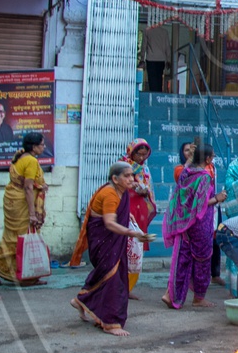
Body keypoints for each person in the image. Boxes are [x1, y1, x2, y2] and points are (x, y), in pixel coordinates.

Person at [70, 162, 153, 336]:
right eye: (127, 176)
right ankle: (111, 322)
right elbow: (109, 223)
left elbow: (116, 212)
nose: (132, 179)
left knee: (108, 273)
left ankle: (82, 299)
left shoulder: (121, 192)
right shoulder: (109, 193)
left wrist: (127, 217)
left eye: (132, 175)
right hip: (103, 239)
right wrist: (133, 233)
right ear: (115, 179)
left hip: (112, 240)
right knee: (113, 277)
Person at [0, 132, 49, 286]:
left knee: (14, 237)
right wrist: (32, 214)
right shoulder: (31, 161)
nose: (44, 146)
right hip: (21, 202)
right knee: (21, 238)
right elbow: (28, 187)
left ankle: (26, 275)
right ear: (34, 147)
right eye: (42, 144)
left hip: (12, 199)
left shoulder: (19, 157)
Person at [163, 143, 220, 310]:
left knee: (182, 260)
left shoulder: (186, 173)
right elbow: (201, 204)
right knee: (203, 259)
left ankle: (173, 295)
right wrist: (218, 198)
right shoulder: (203, 177)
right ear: (208, 159)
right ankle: (199, 297)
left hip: (183, 223)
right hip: (200, 225)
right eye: (212, 156)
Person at [124, 139, 157, 297]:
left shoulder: (145, 169)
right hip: (127, 208)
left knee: (137, 248)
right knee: (125, 247)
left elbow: (149, 188)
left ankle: (128, 287)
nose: (142, 158)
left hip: (140, 209)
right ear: (132, 152)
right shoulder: (123, 166)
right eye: (139, 154)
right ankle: (120, 286)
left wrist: (145, 192)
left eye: (145, 155)